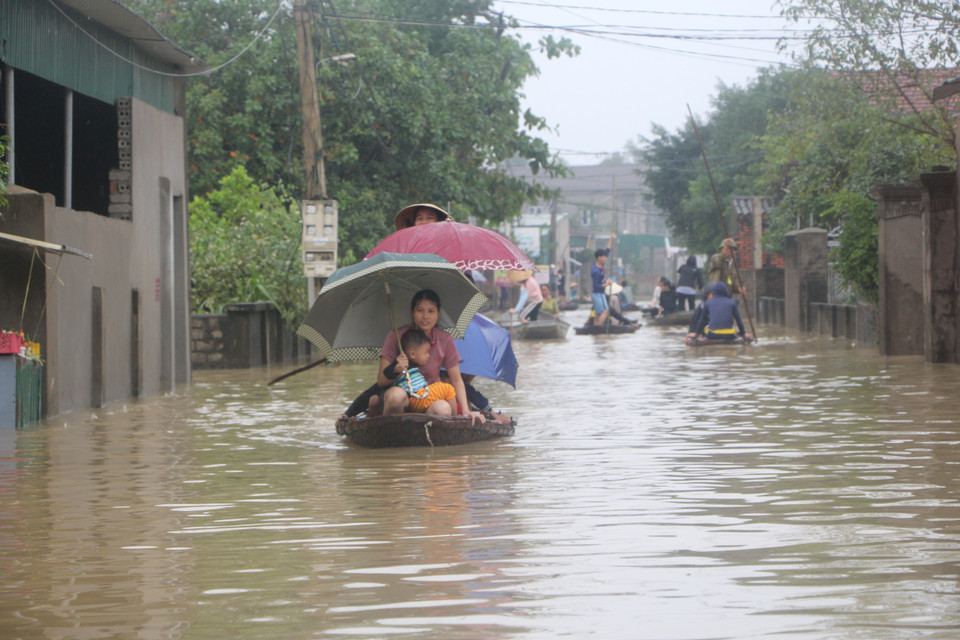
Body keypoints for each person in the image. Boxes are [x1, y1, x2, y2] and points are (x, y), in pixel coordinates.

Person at [372, 289, 485, 424]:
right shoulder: (396, 336)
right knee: (396, 396)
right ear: (412, 312)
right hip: (401, 395)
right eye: (420, 310)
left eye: (431, 311)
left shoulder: (445, 339)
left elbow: (456, 379)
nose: (425, 316)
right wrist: (397, 368)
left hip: (429, 395)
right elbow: (381, 381)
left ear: (438, 314)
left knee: (443, 409)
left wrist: (466, 411)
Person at [383, 329, 457, 415]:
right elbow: (386, 373)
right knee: (448, 389)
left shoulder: (413, 364)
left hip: (419, 396)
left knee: (443, 403)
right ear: (413, 354)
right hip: (417, 397)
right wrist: (396, 369)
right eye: (426, 352)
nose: (428, 355)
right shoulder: (401, 362)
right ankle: (456, 418)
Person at [591, 248, 612, 326]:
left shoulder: (600, 266)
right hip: (598, 294)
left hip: (600, 293)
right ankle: (598, 328)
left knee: (598, 314)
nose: (606, 258)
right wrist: (607, 284)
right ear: (599, 258)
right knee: (605, 311)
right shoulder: (596, 271)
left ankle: (596, 330)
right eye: (604, 257)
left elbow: (607, 251)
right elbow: (596, 286)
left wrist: (611, 238)